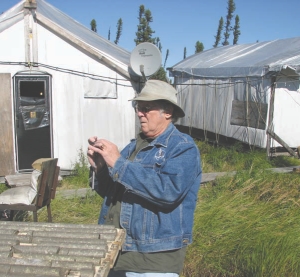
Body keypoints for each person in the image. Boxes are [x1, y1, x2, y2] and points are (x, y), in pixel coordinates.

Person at [87, 79, 202, 277]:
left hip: (154, 260)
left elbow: (168, 192)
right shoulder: (134, 146)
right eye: (138, 107)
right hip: (118, 251)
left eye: (147, 108)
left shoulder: (182, 147)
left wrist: (119, 163)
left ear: (168, 112)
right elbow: (111, 193)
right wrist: (100, 168)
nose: (139, 113)